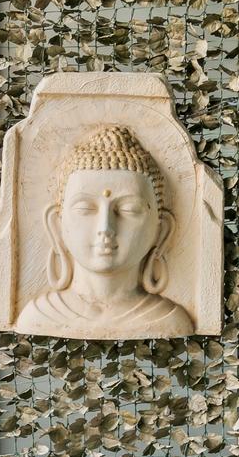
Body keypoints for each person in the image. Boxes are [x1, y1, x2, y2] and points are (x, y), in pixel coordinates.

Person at [15, 124, 195, 338]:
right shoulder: (39, 316)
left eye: (129, 209)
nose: (105, 228)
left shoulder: (168, 320)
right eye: (85, 209)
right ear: (56, 225)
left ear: (161, 229)